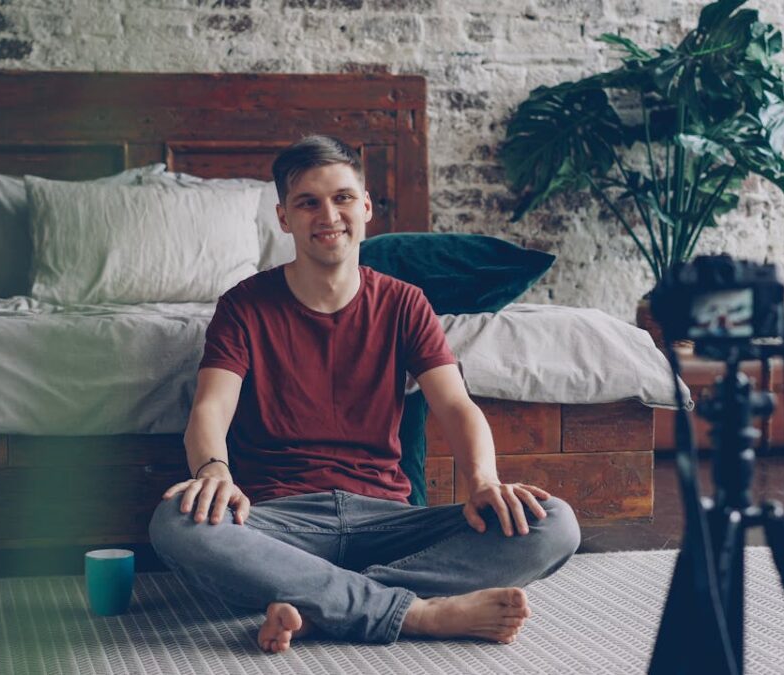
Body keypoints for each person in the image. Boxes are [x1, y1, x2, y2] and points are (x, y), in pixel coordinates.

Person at [149, 135, 581, 654]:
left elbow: (455, 404)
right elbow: (211, 405)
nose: (328, 214)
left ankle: (318, 606)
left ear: (367, 207)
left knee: (553, 522)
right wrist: (213, 472)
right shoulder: (244, 305)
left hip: (387, 518)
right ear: (285, 218)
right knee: (176, 521)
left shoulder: (404, 303)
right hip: (280, 522)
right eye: (308, 202)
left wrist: (484, 480)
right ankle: (418, 611)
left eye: (342, 197)